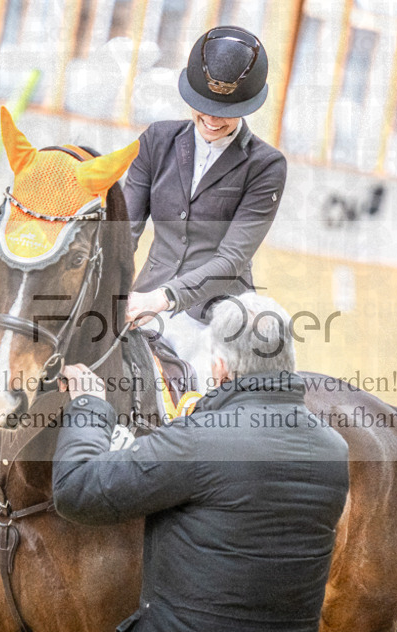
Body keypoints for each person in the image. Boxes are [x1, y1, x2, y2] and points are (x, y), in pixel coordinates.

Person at [54, 294, 349, 632]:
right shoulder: (333, 449)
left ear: (220, 368)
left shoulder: (198, 440)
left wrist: (90, 406)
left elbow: (77, 488)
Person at [122, 26, 288, 391]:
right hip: (144, 301)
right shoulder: (156, 141)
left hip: (215, 316)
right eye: (206, 106)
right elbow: (124, 231)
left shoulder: (266, 166)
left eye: (227, 111)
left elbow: (231, 259)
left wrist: (164, 298)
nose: (213, 119)